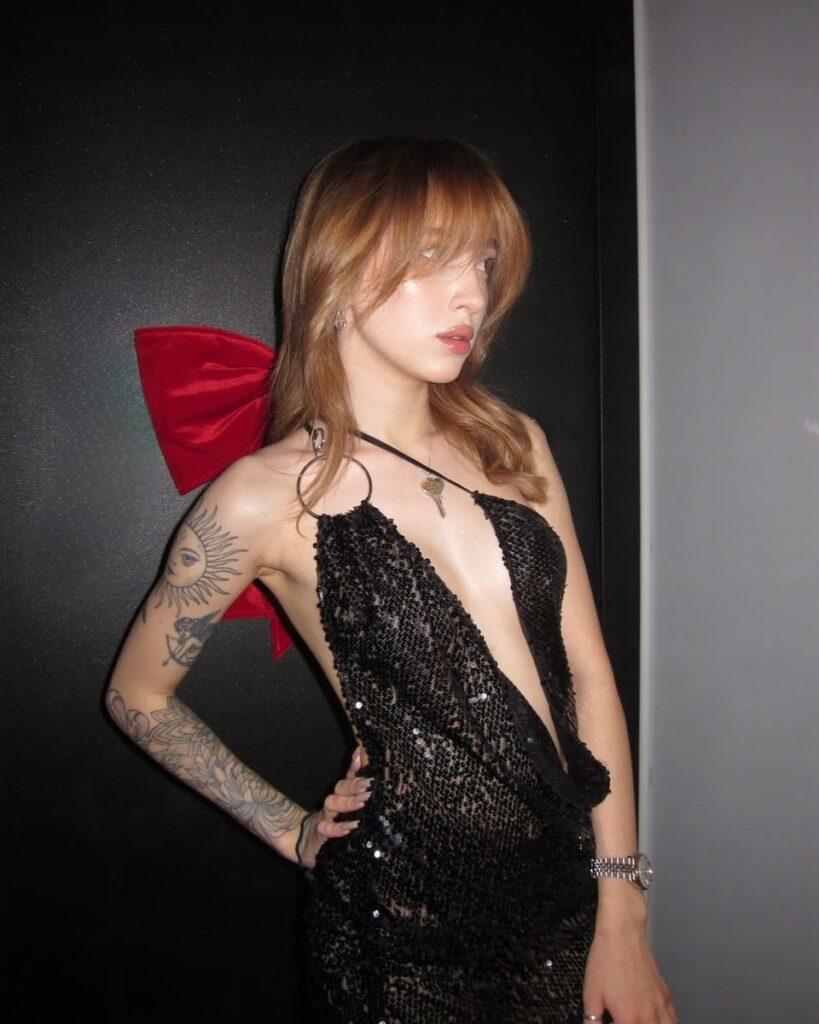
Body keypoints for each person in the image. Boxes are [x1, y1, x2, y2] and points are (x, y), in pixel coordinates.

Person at [107, 137, 677, 1024]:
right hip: (400, 926)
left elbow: (587, 673)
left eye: (482, 260)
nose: (472, 293)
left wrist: (623, 905)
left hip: (573, 890)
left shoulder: (512, 444)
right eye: (432, 256)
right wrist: (291, 828)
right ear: (337, 270)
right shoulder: (265, 496)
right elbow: (136, 695)